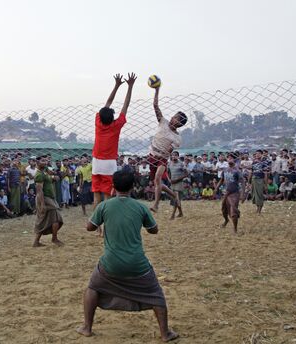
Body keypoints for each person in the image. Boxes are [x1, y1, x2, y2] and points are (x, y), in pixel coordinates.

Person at [76, 170, 178, 342]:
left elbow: (90, 227)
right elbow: (154, 230)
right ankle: (165, 333)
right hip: (137, 265)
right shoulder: (140, 207)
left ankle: (87, 327)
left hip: (110, 264)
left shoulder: (104, 206)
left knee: (92, 288)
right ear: (133, 186)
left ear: (113, 186)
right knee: (156, 295)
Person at [91, 73, 137, 235]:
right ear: (112, 117)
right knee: (108, 199)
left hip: (96, 163)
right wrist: (130, 86)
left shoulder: (98, 122)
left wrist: (117, 85)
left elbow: (107, 104)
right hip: (109, 164)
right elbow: (126, 105)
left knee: (96, 199)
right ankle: (106, 229)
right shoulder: (116, 125)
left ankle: (97, 227)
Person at [148, 85, 188, 212]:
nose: (172, 118)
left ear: (179, 124)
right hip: (151, 155)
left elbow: (169, 151)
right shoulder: (163, 121)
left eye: (176, 118)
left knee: (157, 179)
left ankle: (156, 205)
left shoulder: (177, 138)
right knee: (157, 183)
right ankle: (173, 194)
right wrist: (157, 90)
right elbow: (155, 106)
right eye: (174, 116)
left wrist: (163, 156)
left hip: (162, 159)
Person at [33, 156, 64, 247]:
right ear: (37, 163)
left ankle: (36, 241)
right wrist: (42, 204)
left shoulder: (44, 171)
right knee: (56, 218)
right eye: (43, 161)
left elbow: (51, 173)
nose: (46, 162)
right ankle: (54, 239)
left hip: (49, 198)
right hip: (45, 198)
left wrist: (54, 177)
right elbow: (39, 191)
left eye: (46, 160)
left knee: (44, 220)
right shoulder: (39, 174)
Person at [215, 156, 242, 234]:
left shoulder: (237, 171)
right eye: (228, 158)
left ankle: (235, 229)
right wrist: (216, 188)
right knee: (223, 209)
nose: (230, 159)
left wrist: (243, 194)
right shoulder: (225, 170)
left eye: (231, 158)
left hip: (235, 193)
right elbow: (221, 179)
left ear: (234, 160)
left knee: (233, 211)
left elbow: (242, 181)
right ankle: (226, 220)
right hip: (226, 193)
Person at [168, 151, 187, 220]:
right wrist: (169, 179)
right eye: (173, 155)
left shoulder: (181, 164)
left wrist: (177, 179)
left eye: (175, 155)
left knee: (176, 198)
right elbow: (167, 172)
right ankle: (181, 213)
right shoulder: (169, 163)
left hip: (179, 183)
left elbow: (186, 174)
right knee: (176, 198)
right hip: (172, 183)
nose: (174, 156)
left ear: (178, 156)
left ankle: (173, 214)